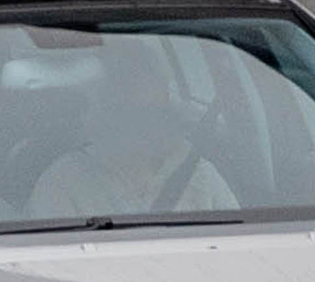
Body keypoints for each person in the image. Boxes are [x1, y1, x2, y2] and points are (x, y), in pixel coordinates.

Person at [26, 41, 237, 219]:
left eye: (153, 112)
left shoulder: (199, 175)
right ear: (103, 112)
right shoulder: (63, 184)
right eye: (129, 113)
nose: (143, 128)